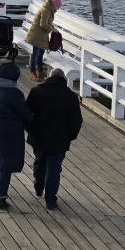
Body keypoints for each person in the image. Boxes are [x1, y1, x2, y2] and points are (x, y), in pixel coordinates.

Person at [26, 68, 83, 210]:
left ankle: (38, 187)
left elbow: (27, 113)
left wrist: (31, 130)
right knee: (54, 168)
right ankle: (50, 200)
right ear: (64, 79)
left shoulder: (37, 91)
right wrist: (70, 136)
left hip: (39, 136)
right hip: (60, 139)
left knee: (40, 162)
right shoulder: (70, 96)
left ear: (49, 77)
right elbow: (77, 121)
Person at [0, 63, 33, 210]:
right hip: (9, 131)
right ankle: (1, 197)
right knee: (5, 163)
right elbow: (25, 114)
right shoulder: (14, 93)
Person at [24, 0, 62, 81]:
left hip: (40, 35)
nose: (58, 9)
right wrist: (52, 28)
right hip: (37, 35)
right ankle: (33, 72)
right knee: (36, 54)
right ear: (54, 5)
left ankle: (39, 71)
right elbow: (43, 25)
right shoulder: (46, 10)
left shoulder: (48, 9)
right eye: (58, 7)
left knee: (40, 53)